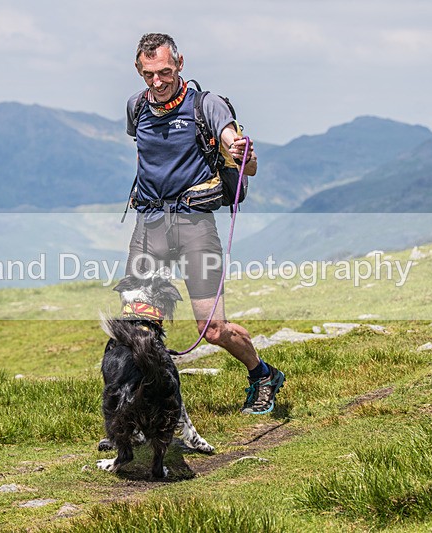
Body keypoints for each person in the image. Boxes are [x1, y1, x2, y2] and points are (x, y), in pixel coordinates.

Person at [123, 32, 285, 415]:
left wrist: (240, 150)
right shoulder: (135, 107)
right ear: (138, 70)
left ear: (180, 63)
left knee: (212, 330)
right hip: (149, 226)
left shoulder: (206, 105)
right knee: (138, 328)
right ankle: (140, 414)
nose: (157, 82)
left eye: (164, 71)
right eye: (149, 75)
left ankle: (262, 374)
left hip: (195, 226)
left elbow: (246, 158)